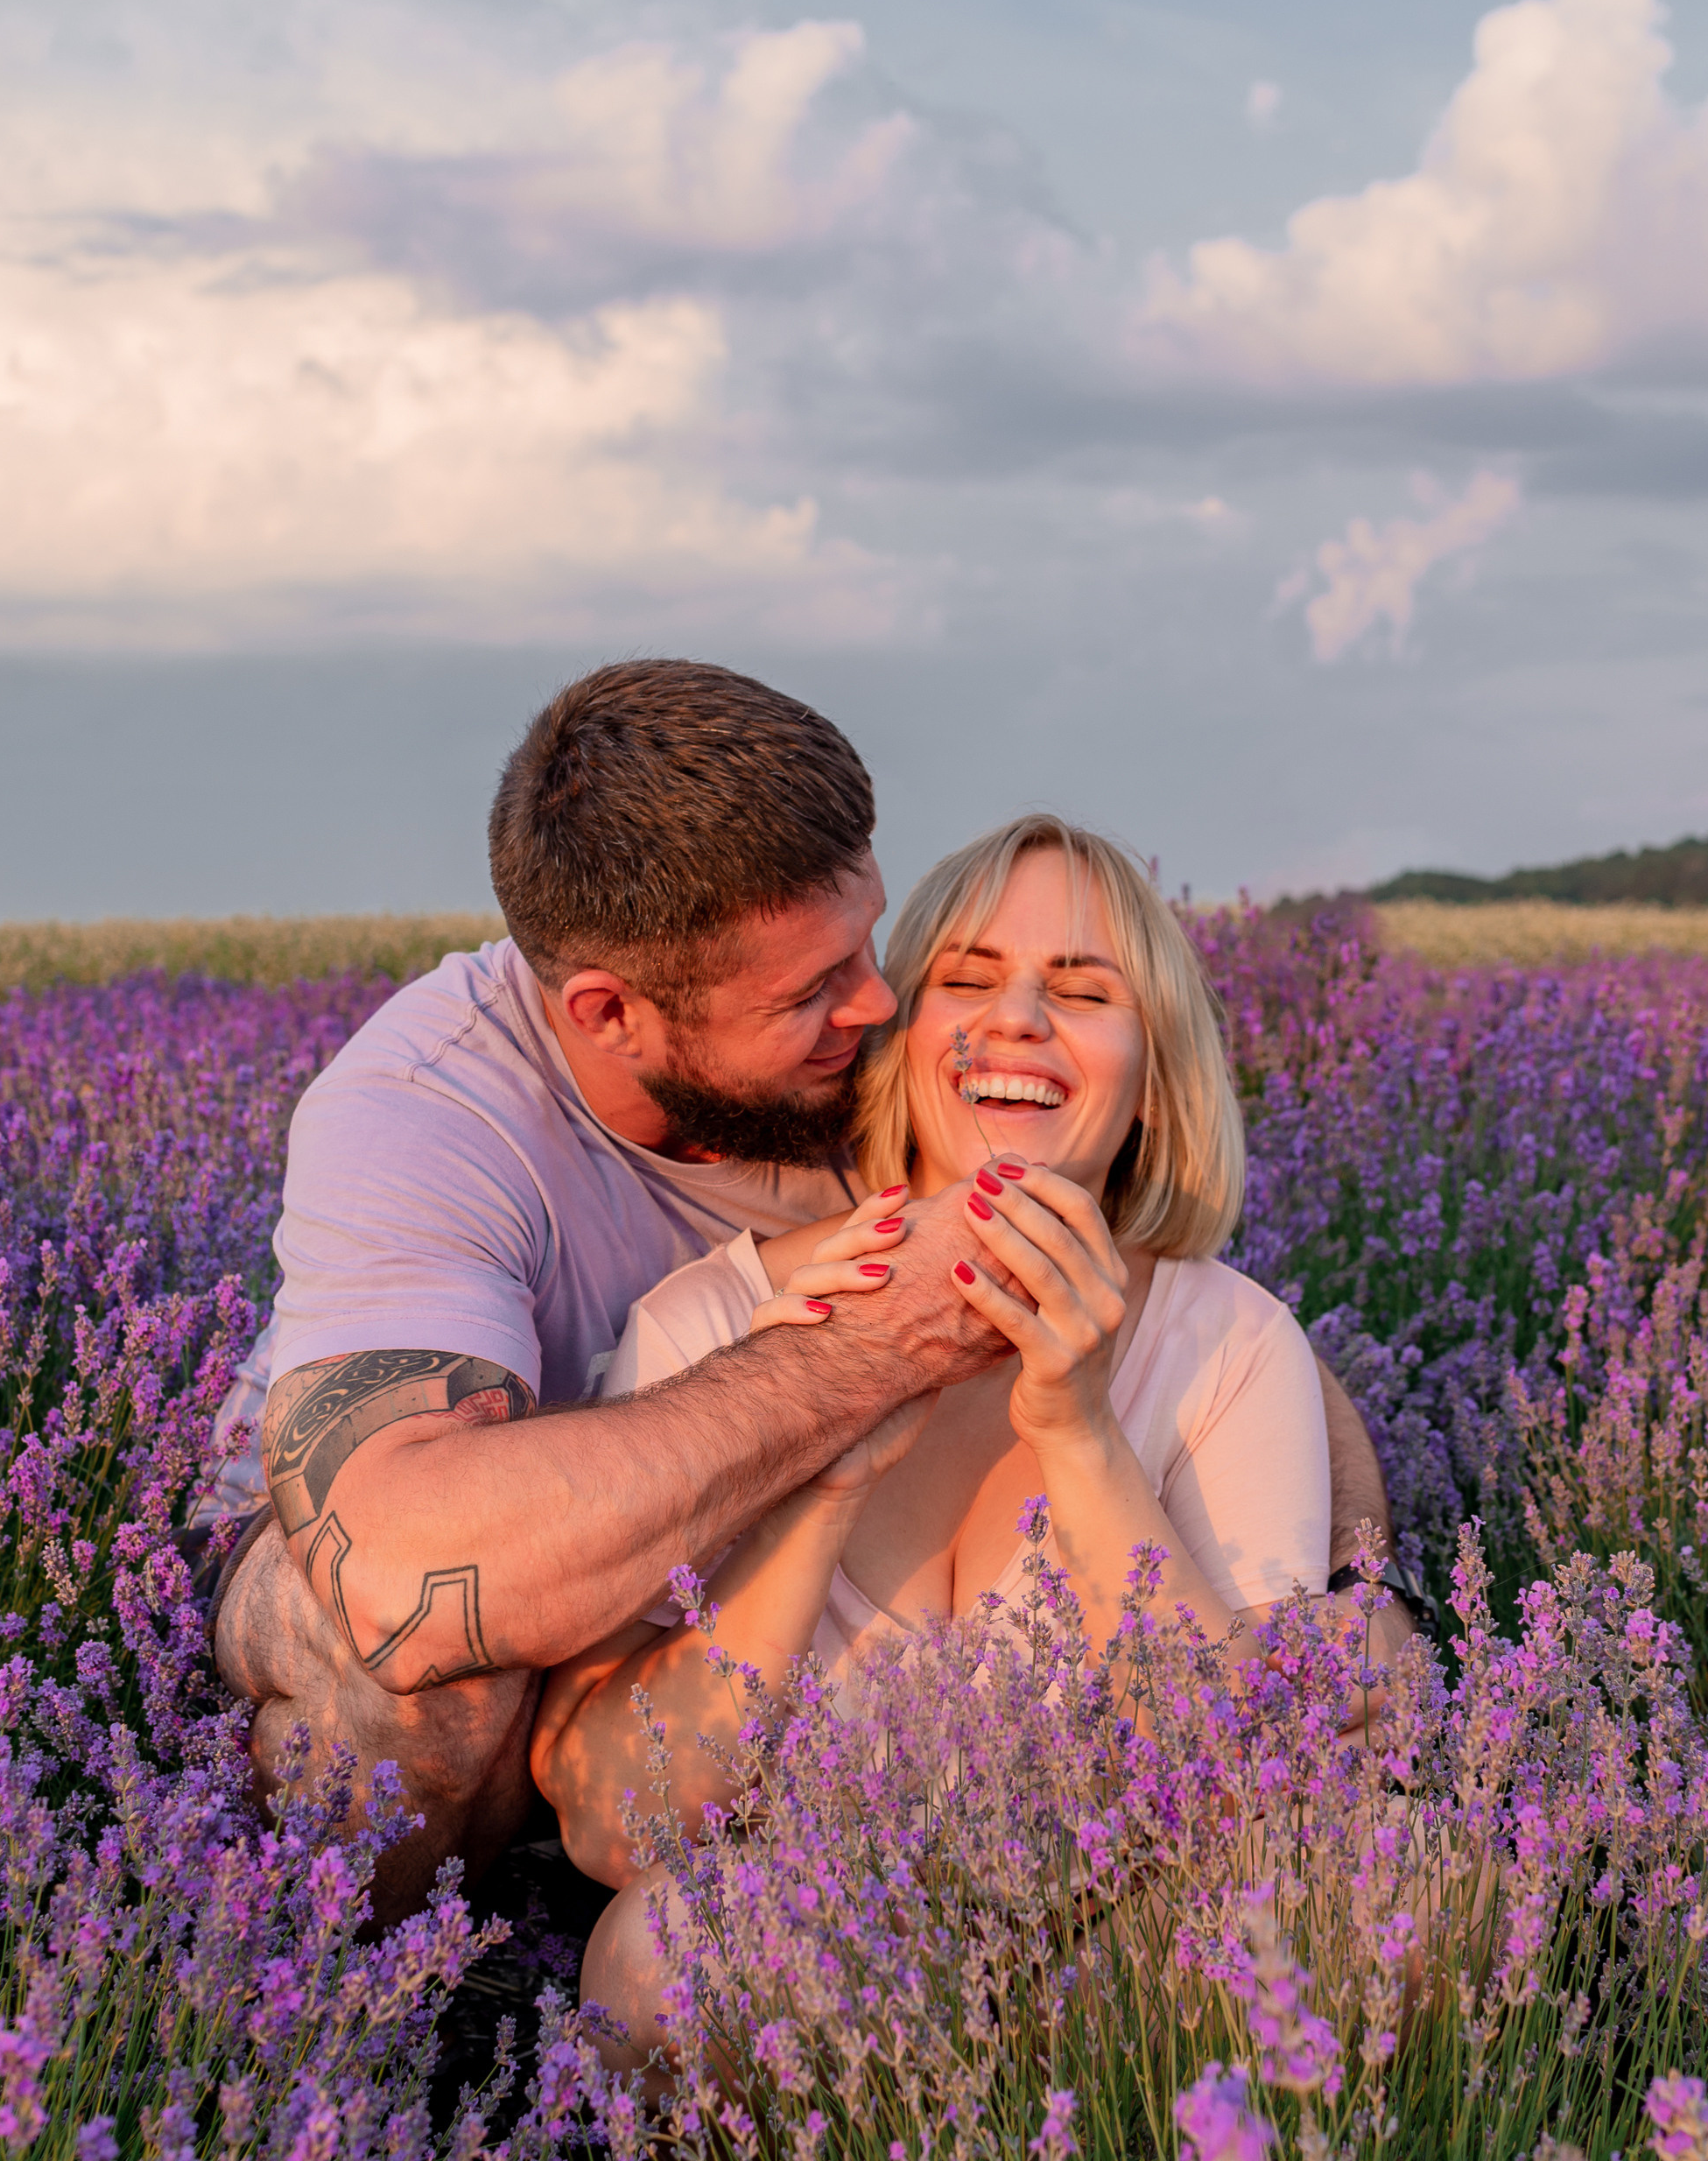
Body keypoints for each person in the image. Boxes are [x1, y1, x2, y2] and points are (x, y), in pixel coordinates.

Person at [210, 664, 1409, 1925]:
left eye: (872, 942)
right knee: (428, 1689)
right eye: (810, 993)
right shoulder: (429, 1114)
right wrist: (864, 1362)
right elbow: (404, 1572)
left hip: (674, 1559)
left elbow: (1188, 1311)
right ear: (614, 1013)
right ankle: (326, 2028)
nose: (878, 1006)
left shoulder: (880, 1057)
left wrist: (1356, 1589)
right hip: (378, 1515)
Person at [531, 816, 1342, 2062]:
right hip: (815, 1956)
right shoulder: (713, 1323)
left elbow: (1245, 1795)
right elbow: (617, 1830)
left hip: (1122, 1970)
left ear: (1154, 1073)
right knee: (658, 1957)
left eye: (1082, 991)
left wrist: (1080, 1432)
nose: (1016, 1018)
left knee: (1387, 1903)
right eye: (965, 979)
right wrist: (825, 1449)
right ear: (900, 1045)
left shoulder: (1230, 1344)